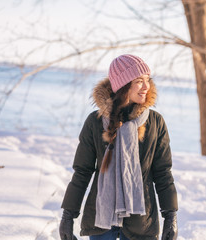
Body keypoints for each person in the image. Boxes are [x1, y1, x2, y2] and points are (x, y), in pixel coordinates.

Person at [59, 54, 178, 240]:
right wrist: (68, 216)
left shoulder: (155, 122)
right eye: (139, 81)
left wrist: (170, 216)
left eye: (148, 80)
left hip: (141, 223)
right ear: (122, 85)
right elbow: (82, 171)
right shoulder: (95, 122)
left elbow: (163, 173)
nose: (146, 86)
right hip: (101, 222)